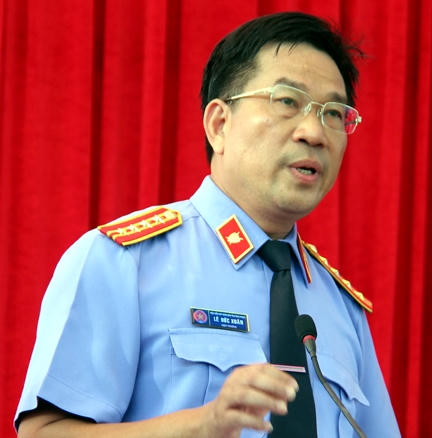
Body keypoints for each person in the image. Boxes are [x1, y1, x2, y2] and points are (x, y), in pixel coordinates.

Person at [15, 11, 401, 438]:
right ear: (219, 124)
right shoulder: (124, 263)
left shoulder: (340, 307)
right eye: (287, 102)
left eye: (333, 113)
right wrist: (203, 425)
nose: (314, 132)